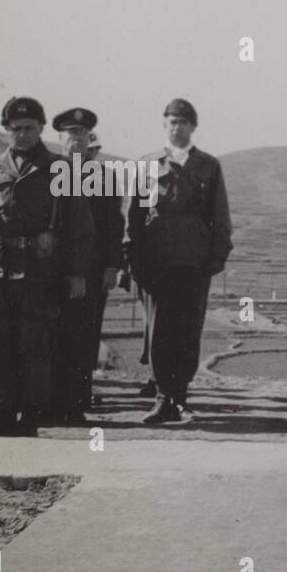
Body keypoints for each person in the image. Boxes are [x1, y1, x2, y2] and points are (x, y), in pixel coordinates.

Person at [0, 96, 93, 437]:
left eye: (29, 129)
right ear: (5, 131)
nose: (22, 135)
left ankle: (31, 418)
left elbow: (80, 228)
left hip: (39, 273)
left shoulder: (59, 168)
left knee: (35, 346)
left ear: (40, 129)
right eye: (16, 129)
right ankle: (5, 417)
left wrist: (77, 272)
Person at [122, 98, 233, 423]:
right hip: (154, 264)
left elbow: (220, 216)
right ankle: (161, 398)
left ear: (193, 127)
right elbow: (132, 216)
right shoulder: (146, 166)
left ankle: (180, 398)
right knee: (158, 333)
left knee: (187, 331)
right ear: (164, 125)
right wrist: (133, 259)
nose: (176, 127)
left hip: (193, 263)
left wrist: (216, 257)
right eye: (171, 121)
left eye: (183, 122)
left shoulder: (208, 166)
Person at [48, 108, 124, 423]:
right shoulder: (48, 170)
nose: (75, 139)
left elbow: (113, 226)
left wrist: (111, 266)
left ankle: (77, 403)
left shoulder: (103, 176)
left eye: (81, 133)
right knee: (50, 333)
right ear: (60, 137)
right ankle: (49, 402)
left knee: (83, 335)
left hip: (91, 270)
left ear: (87, 137)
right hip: (50, 269)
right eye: (70, 133)